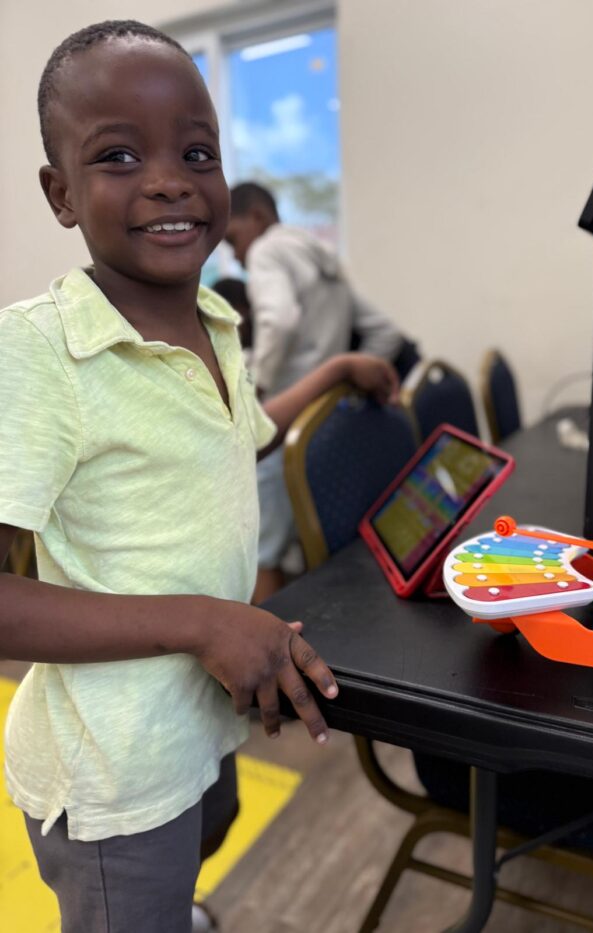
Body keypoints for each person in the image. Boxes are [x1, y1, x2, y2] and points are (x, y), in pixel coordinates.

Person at [0, 21, 398, 933]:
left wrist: (333, 372)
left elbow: (240, 438)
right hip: (117, 771)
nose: (170, 179)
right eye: (119, 156)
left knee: (204, 834)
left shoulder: (214, 318)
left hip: (203, 716)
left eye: (196, 151)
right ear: (60, 194)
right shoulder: (40, 352)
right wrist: (204, 619)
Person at [224, 182, 412, 601]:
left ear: (256, 218)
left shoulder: (266, 251)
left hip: (282, 421)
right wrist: (342, 385)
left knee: (264, 555)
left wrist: (260, 389)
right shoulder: (322, 256)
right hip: (323, 427)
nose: (236, 256)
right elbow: (385, 333)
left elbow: (280, 320)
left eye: (232, 239)